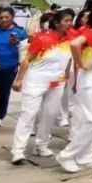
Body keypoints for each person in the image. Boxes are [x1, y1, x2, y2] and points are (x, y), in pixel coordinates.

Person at [56, 4, 92, 173]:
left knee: (87, 119)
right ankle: (67, 155)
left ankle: (85, 157)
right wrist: (81, 63)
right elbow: (74, 44)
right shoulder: (90, 32)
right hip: (89, 82)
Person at [10, 9, 74, 163]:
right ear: (56, 23)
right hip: (36, 81)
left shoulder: (70, 39)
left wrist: (65, 76)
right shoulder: (42, 38)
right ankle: (18, 150)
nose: (70, 23)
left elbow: (68, 60)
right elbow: (27, 60)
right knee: (29, 114)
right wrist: (19, 80)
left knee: (49, 115)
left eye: (71, 20)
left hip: (57, 83)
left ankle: (41, 145)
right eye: (66, 21)